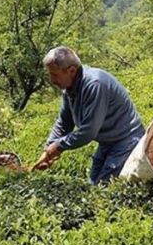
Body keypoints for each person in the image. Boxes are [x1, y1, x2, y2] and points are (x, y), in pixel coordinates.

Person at [33, 47, 145, 185]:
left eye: (55, 75)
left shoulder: (94, 84)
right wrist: (49, 148)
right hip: (107, 142)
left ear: (72, 71)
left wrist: (58, 146)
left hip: (126, 140)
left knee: (104, 188)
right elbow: (64, 121)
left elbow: (88, 132)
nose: (51, 79)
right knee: (92, 184)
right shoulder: (69, 88)